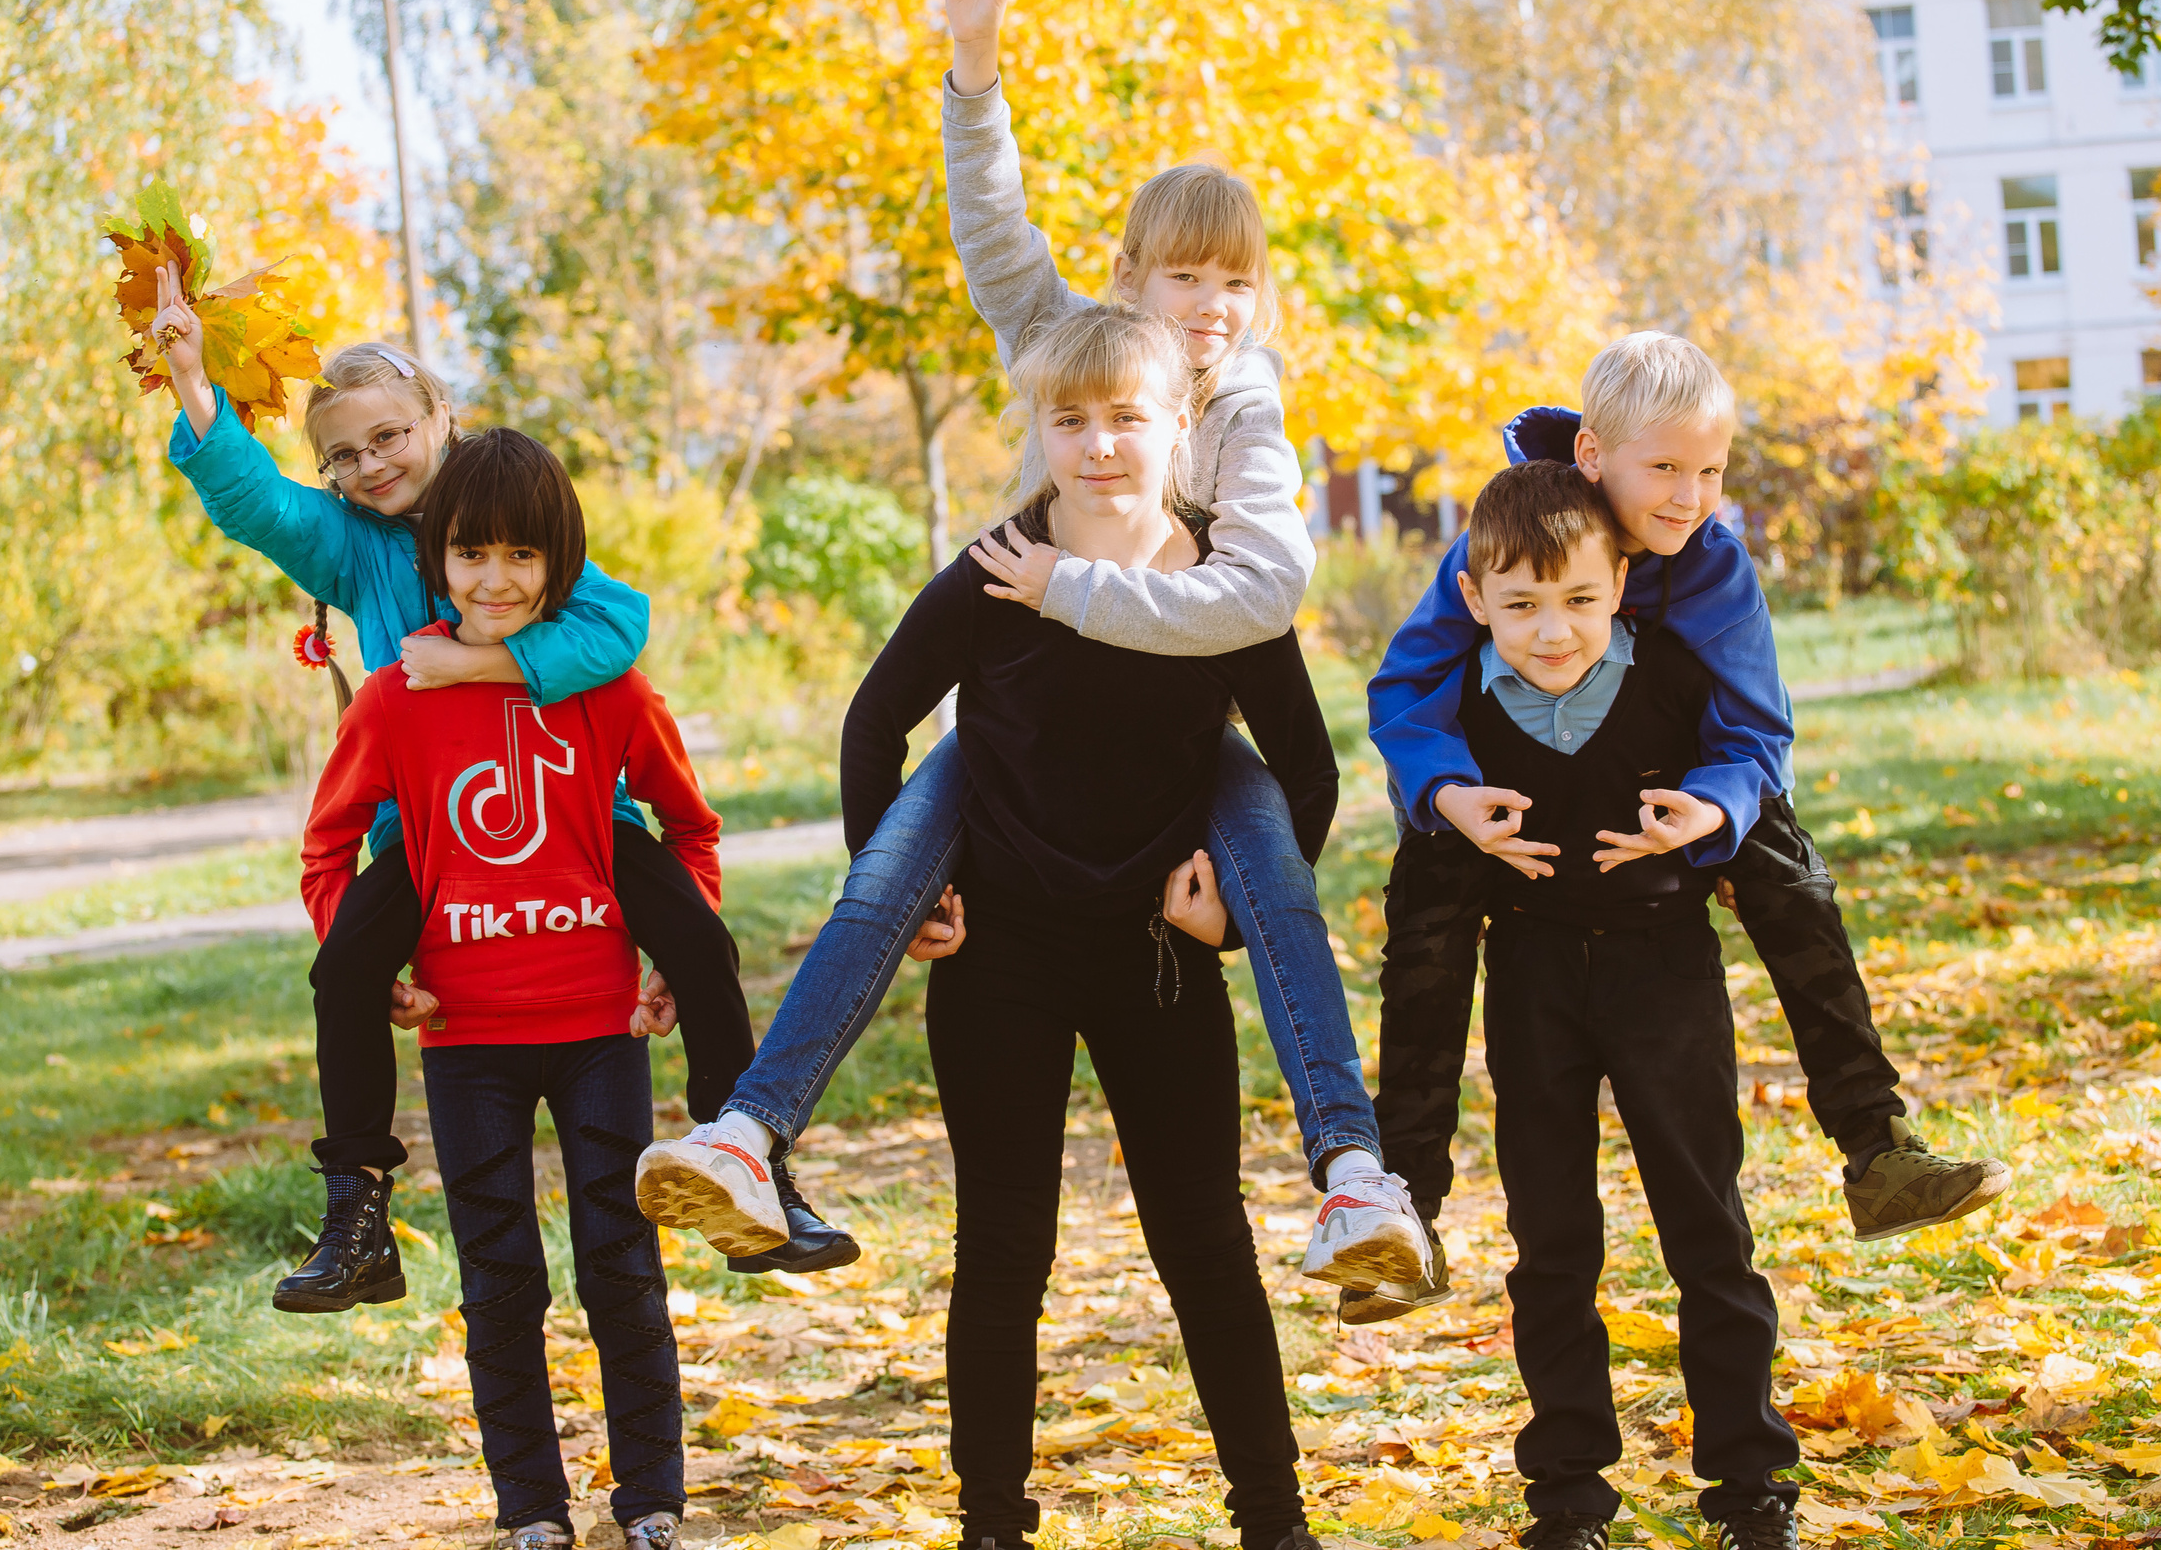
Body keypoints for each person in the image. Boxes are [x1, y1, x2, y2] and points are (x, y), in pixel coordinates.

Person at [631, 0, 1429, 1295]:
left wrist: (1072, 586)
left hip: (1182, 729)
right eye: (1185, 277)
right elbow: (994, 233)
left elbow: (1265, 594)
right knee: (884, 873)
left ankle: (1354, 1175)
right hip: (1018, 723)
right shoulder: (1069, 346)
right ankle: (754, 1130)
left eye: (1237, 279)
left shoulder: (1246, 415)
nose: (1213, 306)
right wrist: (977, 61)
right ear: (1131, 280)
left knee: (1280, 884)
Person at [741, 307, 1327, 1550]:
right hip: (1001, 955)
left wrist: (1228, 920)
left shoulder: (1223, 581)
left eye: (1127, 418)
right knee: (1005, 1246)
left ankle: (1274, 1520)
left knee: (1203, 1240)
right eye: (1071, 421)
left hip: (1158, 962)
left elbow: (1308, 768)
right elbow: (872, 722)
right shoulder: (998, 570)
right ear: (1040, 432)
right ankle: (992, 1522)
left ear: (1181, 424)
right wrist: (906, 900)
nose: (1100, 445)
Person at [147, 270, 833, 1309]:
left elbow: (617, 628)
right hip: (424, 833)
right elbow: (250, 499)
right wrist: (194, 380)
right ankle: (357, 1210)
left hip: (579, 814)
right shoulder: (353, 548)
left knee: (697, 941)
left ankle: (754, 1167)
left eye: (389, 436)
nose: (370, 464)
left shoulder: (518, 516)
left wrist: (473, 665)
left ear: (440, 418)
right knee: (340, 975)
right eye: (343, 454)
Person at [1367, 334, 2008, 1275]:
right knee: (1426, 907)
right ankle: (1403, 1207)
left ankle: (1877, 1146)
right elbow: (1406, 687)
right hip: (1499, 792)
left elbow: (1758, 735)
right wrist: (1448, 791)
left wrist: (1713, 808)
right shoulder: (1511, 537)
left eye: (1710, 469)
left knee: (1784, 857)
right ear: (1592, 455)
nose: (1687, 495)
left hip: (1666, 788)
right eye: (1663, 467)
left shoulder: (1714, 564)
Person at [1382, 456, 1801, 1550]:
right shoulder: (1462, 702)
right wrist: (1452, 803)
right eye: (1518, 605)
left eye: (1576, 599)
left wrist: (1701, 812)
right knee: (1552, 1243)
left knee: (1708, 1228)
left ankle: (1749, 1486)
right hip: (1530, 981)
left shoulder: (1669, 673)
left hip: (1664, 971)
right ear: (1473, 602)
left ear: (1620, 580)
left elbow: (1747, 763)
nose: (1552, 630)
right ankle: (1567, 1496)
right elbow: (1403, 745)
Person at [300, 427, 700, 1550]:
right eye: (470, 555)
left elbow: (690, 826)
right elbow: (327, 853)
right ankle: (531, 1510)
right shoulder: (392, 699)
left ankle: (652, 1503)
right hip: (465, 1042)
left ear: (559, 563)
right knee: (502, 1278)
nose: (495, 580)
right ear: (436, 564)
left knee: (621, 1264)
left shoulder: (610, 690)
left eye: (522, 557)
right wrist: (369, 966)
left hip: (596, 1028)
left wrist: (674, 949)